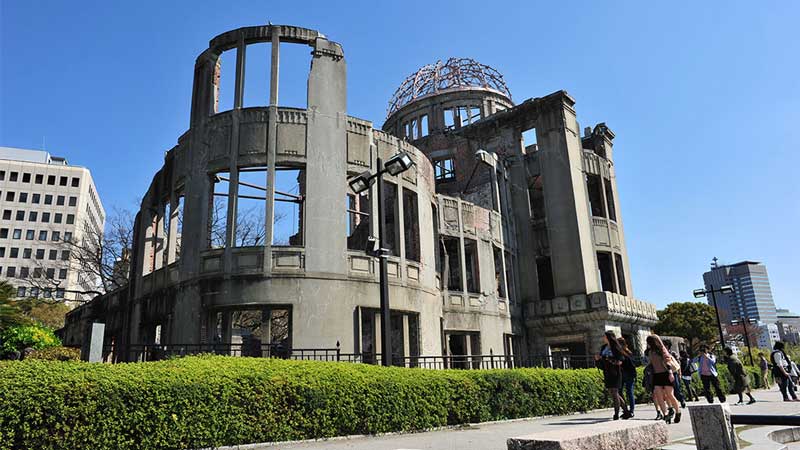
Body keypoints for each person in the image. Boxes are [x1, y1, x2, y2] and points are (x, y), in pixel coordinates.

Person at [595, 330, 632, 420]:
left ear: (609, 338)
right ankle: (626, 411)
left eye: (605, 337)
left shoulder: (616, 347)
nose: (603, 338)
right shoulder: (604, 347)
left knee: (615, 392)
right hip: (607, 372)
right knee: (613, 393)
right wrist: (598, 359)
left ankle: (616, 413)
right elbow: (602, 359)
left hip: (615, 372)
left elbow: (620, 359)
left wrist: (606, 358)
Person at [646, 334, 682, 424]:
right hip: (656, 375)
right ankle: (665, 415)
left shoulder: (662, 350)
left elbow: (668, 361)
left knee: (670, 395)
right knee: (659, 396)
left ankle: (678, 411)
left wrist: (670, 373)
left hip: (666, 374)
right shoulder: (650, 352)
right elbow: (651, 363)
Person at [618, 337, 637, 417]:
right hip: (622, 373)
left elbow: (631, 364)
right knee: (619, 391)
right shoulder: (619, 352)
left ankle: (631, 410)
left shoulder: (627, 352)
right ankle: (625, 409)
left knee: (629, 392)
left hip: (628, 373)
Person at [664, 340, 686, 408]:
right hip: (665, 373)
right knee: (668, 390)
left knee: (677, 388)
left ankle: (682, 399)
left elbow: (678, 364)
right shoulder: (661, 353)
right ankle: (673, 403)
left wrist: (680, 373)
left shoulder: (673, 353)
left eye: (665, 345)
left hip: (674, 373)